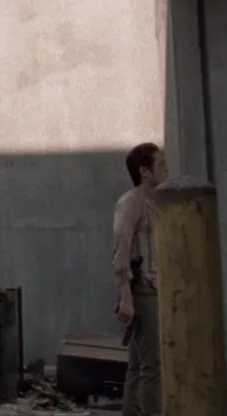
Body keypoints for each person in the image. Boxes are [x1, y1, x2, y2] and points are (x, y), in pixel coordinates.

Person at [112, 142, 167, 416]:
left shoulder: (155, 203)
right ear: (144, 171)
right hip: (142, 290)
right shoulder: (130, 203)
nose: (166, 170)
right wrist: (126, 297)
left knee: (138, 364)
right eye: (161, 164)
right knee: (153, 366)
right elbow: (121, 253)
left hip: (154, 289)